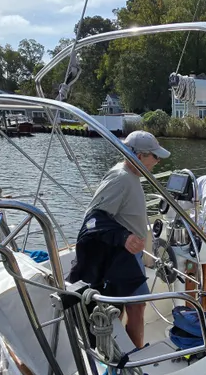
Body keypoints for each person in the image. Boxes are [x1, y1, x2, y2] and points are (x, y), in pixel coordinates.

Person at [69, 130, 170, 348]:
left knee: (132, 306)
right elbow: (93, 219)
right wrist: (123, 237)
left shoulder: (129, 175)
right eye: (154, 156)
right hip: (123, 257)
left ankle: (126, 348)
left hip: (131, 255)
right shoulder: (121, 178)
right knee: (136, 306)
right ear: (138, 155)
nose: (158, 161)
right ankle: (136, 353)